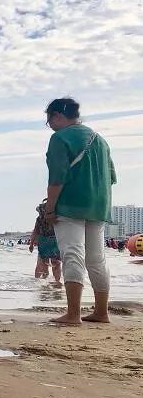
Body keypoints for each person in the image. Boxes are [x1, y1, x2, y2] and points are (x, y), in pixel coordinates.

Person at [42, 97, 117, 325]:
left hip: (70, 205)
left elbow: (57, 178)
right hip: (99, 205)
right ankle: (101, 312)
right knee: (96, 259)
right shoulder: (100, 140)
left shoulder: (60, 138)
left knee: (72, 254)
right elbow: (111, 177)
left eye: (48, 120)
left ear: (57, 115)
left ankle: (73, 314)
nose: (49, 125)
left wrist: (49, 209)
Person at [30, 199, 61, 283]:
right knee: (54, 263)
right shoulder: (56, 217)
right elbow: (35, 231)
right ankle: (55, 282)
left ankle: (40, 282)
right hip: (53, 241)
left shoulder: (40, 219)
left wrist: (31, 244)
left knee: (44, 263)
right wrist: (31, 243)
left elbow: (35, 231)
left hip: (47, 241)